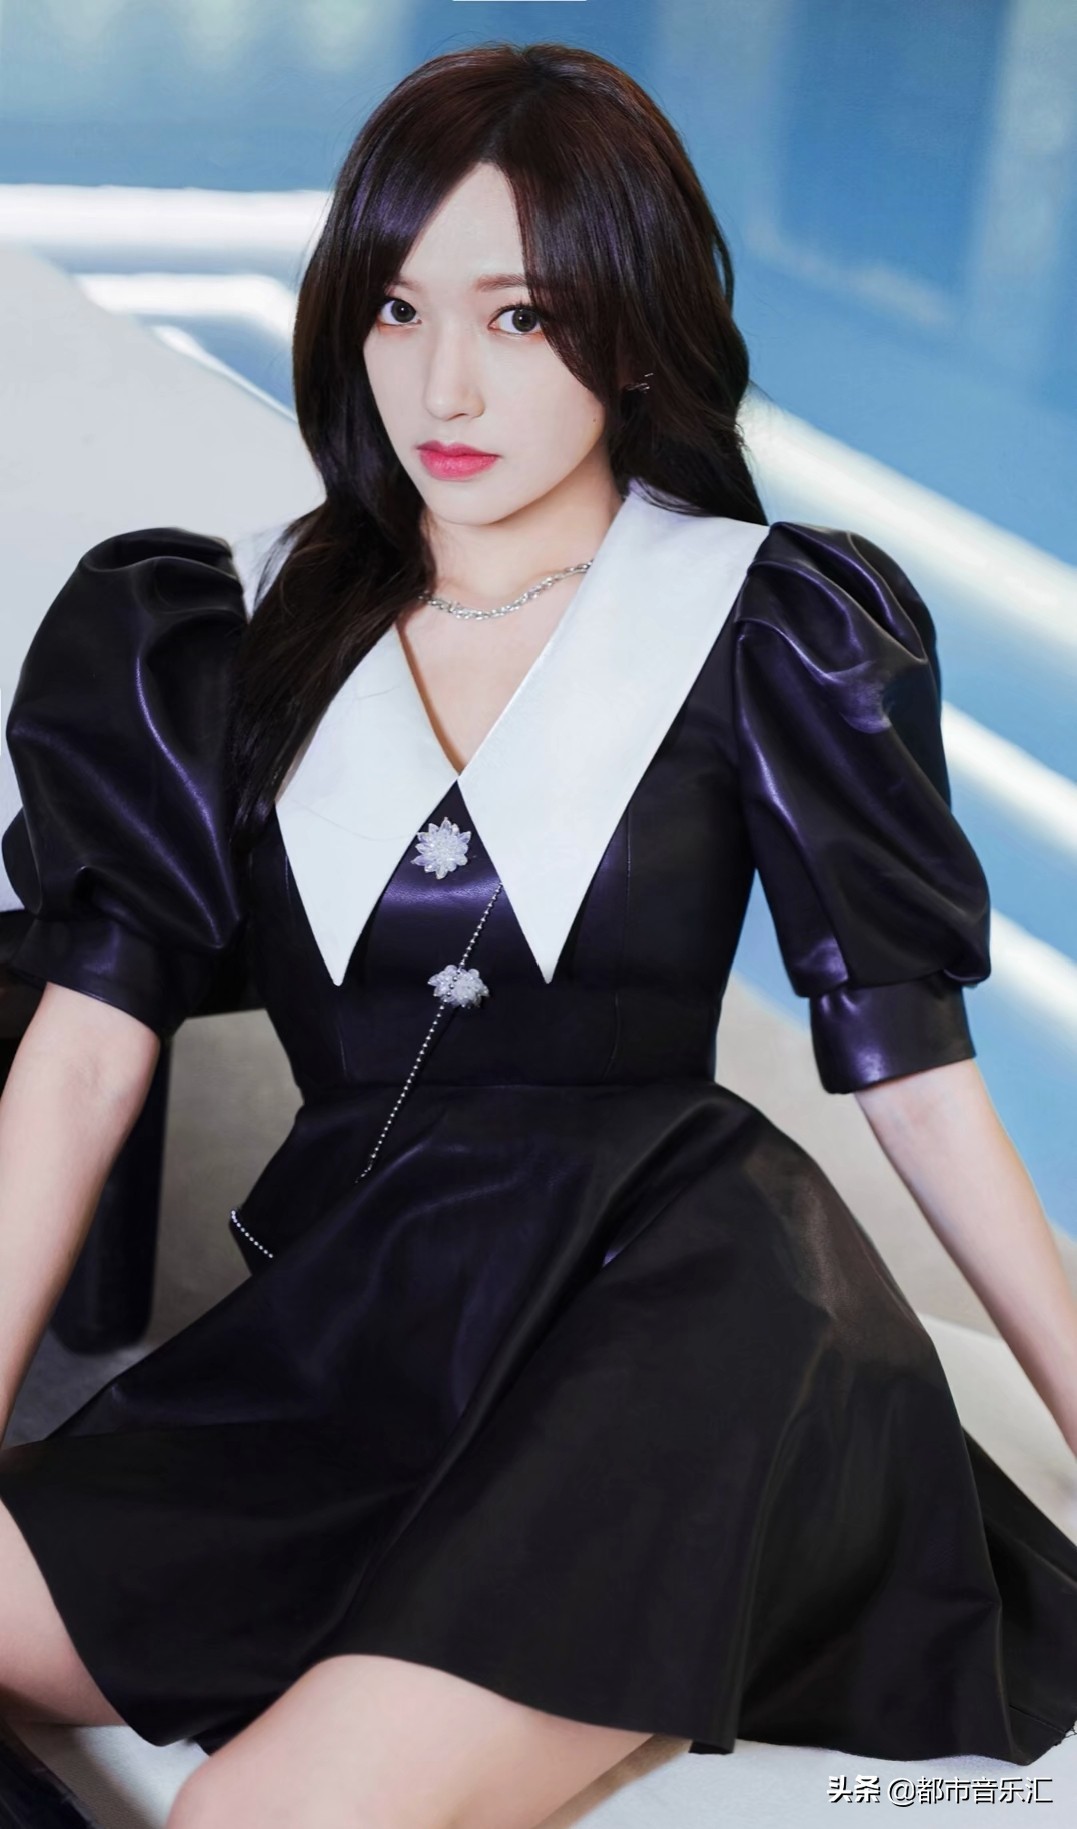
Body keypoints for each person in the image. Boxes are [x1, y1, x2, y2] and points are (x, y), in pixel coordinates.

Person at [1, 38, 1076, 1829]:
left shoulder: (763, 624)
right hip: (361, 1329)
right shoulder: (212, 627)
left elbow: (914, 1080)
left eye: (519, 316)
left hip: (682, 1316)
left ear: (632, 332)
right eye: (397, 306)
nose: (444, 382)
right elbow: (80, 1069)